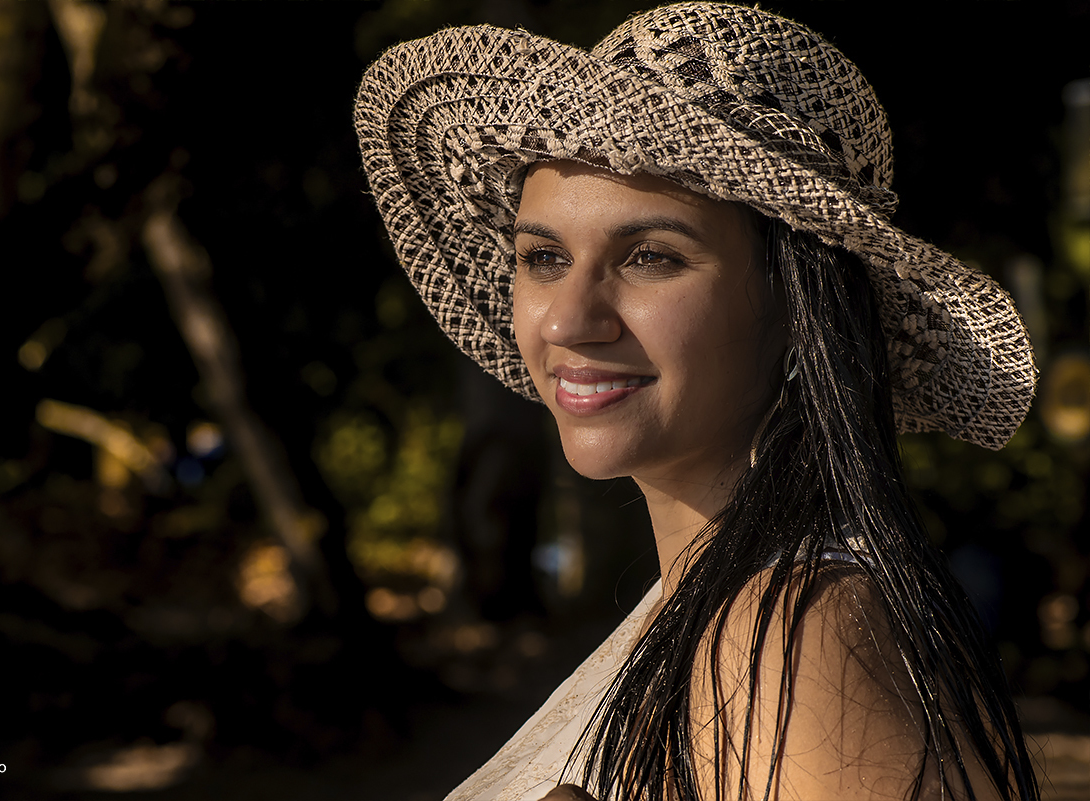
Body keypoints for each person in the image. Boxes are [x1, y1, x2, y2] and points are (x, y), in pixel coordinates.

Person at [354, 3, 1040, 799]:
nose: (569, 319)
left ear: (794, 309)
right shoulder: (714, 607)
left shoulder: (788, 632)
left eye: (649, 256)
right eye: (543, 255)